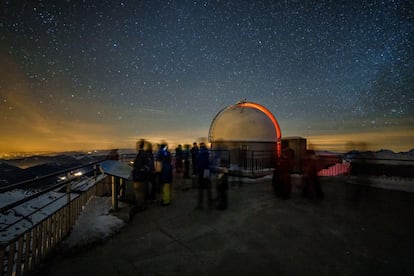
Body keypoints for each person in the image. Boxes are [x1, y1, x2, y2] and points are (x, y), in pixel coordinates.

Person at [132, 140, 150, 210]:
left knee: (139, 193)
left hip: (139, 177)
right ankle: (143, 204)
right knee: (143, 191)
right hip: (143, 177)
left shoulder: (140, 155)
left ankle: (141, 206)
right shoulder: (145, 154)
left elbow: (138, 167)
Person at [195, 143, 212, 210]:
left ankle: (200, 204)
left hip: (201, 172)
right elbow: (210, 162)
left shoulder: (199, 154)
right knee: (208, 187)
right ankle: (209, 202)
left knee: (200, 188)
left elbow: (197, 163)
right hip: (207, 171)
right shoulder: (208, 153)